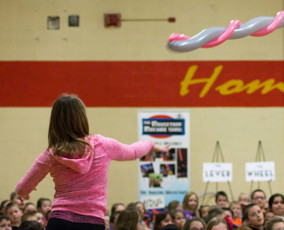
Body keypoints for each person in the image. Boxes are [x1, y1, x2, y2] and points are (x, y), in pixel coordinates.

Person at [14, 94, 170, 230]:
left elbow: (21, 187)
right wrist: (151, 145)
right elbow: (133, 151)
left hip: (59, 221)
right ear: (83, 117)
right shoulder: (102, 145)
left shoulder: (51, 154)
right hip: (92, 222)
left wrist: (23, 193)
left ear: (55, 121)